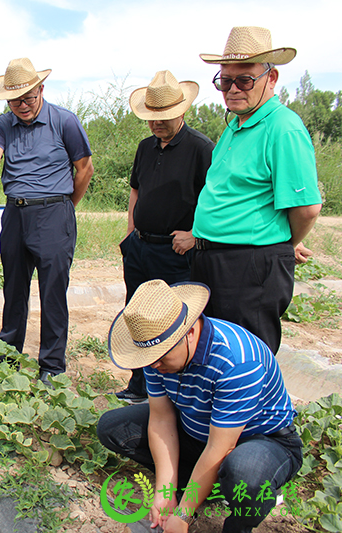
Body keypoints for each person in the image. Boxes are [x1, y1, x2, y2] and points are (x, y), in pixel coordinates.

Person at [97, 279, 302, 533]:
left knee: (245, 475)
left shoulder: (237, 361)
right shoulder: (156, 356)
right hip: (198, 431)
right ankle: (205, 485)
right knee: (113, 428)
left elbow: (221, 446)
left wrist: (183, 515)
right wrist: (164, 492)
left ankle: (239, 515)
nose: (153, 366)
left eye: (160, 357)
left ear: (190, 333)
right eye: (149, 359)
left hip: (259, 441)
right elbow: (161, 419)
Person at [192, 26, 322, 354]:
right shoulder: (235, 125)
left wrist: (280, 244)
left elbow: (306, 208)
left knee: (246, 356)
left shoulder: (283, 127)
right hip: (214, 259)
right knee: (215, 353)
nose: (233, 89)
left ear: (272, 78)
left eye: (244, 79)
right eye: (225, 80)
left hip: (248, 265)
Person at [0, 58, 93, 386]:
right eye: (15, 101)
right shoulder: (1, 125)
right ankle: (9, 355)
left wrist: (66, 205)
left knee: (53, 291)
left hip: (54, 213)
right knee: (14, 287)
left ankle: (52, 365)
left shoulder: (64, 121)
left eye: (28, 97)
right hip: (14, 214)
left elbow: (84, 168)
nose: (22, 106)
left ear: (41, 89)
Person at [115, 71, 214, 404]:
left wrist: (195, 235)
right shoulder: (145, 148)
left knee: (172, 322)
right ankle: (139, 385)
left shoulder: (202, 149)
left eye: (162, 118)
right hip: (140, 247)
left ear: (181, 111)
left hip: (174, 252)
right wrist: (130, 234)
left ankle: (176, 395)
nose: (155, 124)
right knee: (137, 314)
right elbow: (135, 190)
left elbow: (215, 199)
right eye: (151, 118)